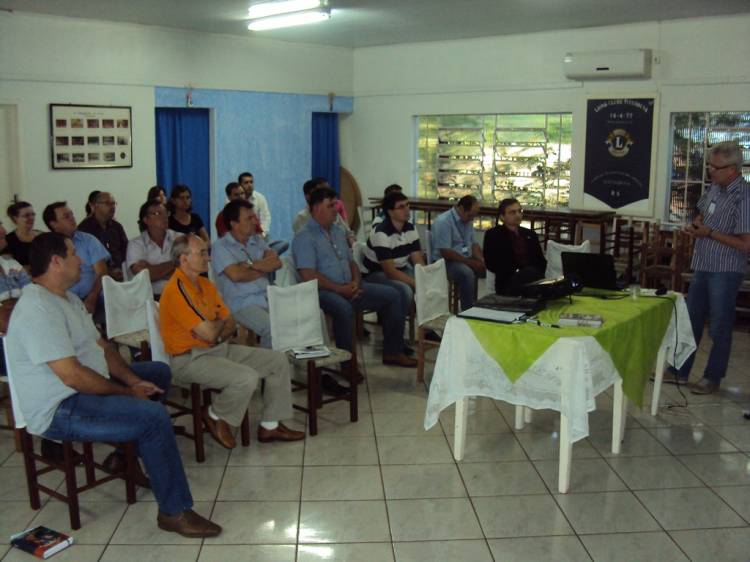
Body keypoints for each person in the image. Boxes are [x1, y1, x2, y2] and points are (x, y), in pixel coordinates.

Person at [5, 232, 220, 538]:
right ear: (56, 262)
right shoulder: (37, 309)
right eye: (73, 254)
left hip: (83, 386)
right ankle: (174, 511)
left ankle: (124, 454)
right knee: (153, 418)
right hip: (60, 406)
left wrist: (134, 381)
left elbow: (102, 348)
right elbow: (73, 376)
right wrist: (128, 393)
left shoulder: (68, 299)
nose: (81, 261)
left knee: (157, 373)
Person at [160, 234, 305, 449]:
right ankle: (214, 414)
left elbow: (229, 322)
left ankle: (270, 425)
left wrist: (215, 329)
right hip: (189, 359)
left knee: (277, 360)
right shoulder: (176, 289)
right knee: (246, 377)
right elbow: (210, 332)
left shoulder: (205, 284)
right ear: (184, 259)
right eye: (202, 253)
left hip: (217, 348)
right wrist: (215, 328)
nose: (208, 258)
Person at [293, 187, 417, 368]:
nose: (336, 209)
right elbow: (308, 275)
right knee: (344, 308)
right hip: (322, 291)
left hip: (349, 286)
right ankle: (347, 364)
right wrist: (339, 289)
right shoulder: (304, 237)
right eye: (330, 206)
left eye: (335, 204)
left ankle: (393, 351)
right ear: (317, 208)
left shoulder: (337, 231)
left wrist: (356, 282)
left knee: (394, 295)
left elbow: (352, 262)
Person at [671, 141, 750, 395]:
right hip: (703, 264)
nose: (710, 171)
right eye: (709, 165)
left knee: (719, 326)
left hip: (725, 270)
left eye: (715, 167)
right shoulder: (715, 188)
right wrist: (696, 226)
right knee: (691, 321)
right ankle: (679, 371)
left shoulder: (744, 197)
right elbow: (702, 215)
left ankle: (712, 377)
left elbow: (746, 244)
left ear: (733, 169)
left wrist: (710, 233)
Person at [212, 199, 279, 349]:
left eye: (254, 217)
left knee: (311, 314)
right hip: (241, 303)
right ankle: (271, 363)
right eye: (249, 218)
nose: (255, 221)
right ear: (234, 224)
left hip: (268, 297)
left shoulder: (257, 240)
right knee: (272, 329)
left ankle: (306, 360)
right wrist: (264, 267)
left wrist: (250, 265)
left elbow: (276, 262)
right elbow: (236, 275)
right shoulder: (220, 247)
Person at [361, 191, 423, 323]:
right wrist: (415, 282)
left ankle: (426, 328)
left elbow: (418, 261)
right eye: (401, 207)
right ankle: (394, 328)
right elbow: (390, 271)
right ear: (390, 212)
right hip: (376, 273)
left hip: (400, 268)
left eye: (407, 205)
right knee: (405, 291)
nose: (407, 209)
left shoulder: (410, 228)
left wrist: (424, 278)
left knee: (429, 285)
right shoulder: (381, 233)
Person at [43, 202, 109, 320]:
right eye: (66, 216)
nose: (72, 218)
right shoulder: (47, 247)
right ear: (54, 224)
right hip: (62, 301)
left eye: (72, 214)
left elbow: (102, 273)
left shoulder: (88, 240)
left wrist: (92, 298)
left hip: (94, 296)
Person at [431, 195, 486, 311]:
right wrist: (470, 263)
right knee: (467, 273)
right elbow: (446, 252)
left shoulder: (467, 220)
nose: (471, 219)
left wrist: (481, 260)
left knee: (487, 268)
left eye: (473, 216)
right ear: (461, 208)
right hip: (445, 262)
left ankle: (482, 306)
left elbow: (474, 244)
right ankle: (467, 310)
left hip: (463, 258)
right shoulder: (444, 221)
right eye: (470, 215)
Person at [483, 198, 547, 295]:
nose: (517, 215)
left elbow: (541, 261)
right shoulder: (493, 235)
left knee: (537, 279)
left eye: (519, 211)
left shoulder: (530, 234)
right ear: (502, 217)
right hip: (508, 281)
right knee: (530, 274)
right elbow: (491, 263)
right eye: (512, 212)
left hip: (533, 278)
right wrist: (518, 271)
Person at [126, 201, 177, 298]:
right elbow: (144, 276)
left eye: (166, 213)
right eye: (157, 214)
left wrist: (151, 268)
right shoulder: (136, 244)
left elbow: (189, 271)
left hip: (178, 294)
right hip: (148, 297)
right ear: (146, 220)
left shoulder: (178, 238)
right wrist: (175, 263)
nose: (164, 217)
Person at [78, 191, 129, 281]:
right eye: (107, 203)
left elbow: (126, 250)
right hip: (97, 278)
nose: (112, 207)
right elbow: (84, 261)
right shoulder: (84, 229)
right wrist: (108, 272)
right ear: (95, 206)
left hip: (121, 274)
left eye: (114, 203)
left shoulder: (117, 227)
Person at [293, 177, 355, 245]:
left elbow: (348, 233)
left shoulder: (334, 213)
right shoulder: (302, 218)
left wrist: (353, 244)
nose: (326, 195)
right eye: (320, 192)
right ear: (308, 197)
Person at [238, 171, 289, 255]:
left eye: (251, 182)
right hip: (242, 237)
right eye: (246, 183)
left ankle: (266, 252)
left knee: (283, 244)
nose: (249, 185)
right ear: (240, 185)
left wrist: (262, 234)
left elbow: (266, 218)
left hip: (259, 235)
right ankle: (265, 254)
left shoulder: (260, 197)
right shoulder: (233, 200)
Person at [4, 201, 41, 268]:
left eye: (33, 214)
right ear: (15, 218)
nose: (31, 218)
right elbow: (8, 267)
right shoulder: (8, 240)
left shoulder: (42, 236)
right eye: (26, 215)